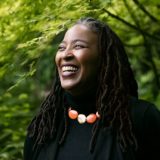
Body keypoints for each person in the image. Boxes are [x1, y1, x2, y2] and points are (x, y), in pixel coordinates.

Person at [24, 17, 160, 160]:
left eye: (78, 46)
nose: (66, 54)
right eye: (61, 48)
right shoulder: (43, 128)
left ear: (104, 58)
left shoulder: (141, 118)